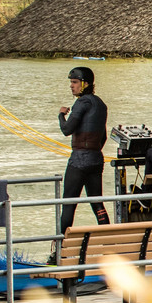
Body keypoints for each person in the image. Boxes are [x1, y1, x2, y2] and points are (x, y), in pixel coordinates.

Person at [58, 66, 110, 233]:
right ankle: (109, 240)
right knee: (97, 203)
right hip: (96, 159)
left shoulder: (81, 103)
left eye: (74, 82)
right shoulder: (101, 104)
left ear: (85, 84)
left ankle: (59, 249)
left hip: (79, 159)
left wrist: (61, 115)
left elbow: (67, 129)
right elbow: (104, 137)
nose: (71, 86)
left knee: (68, 203)